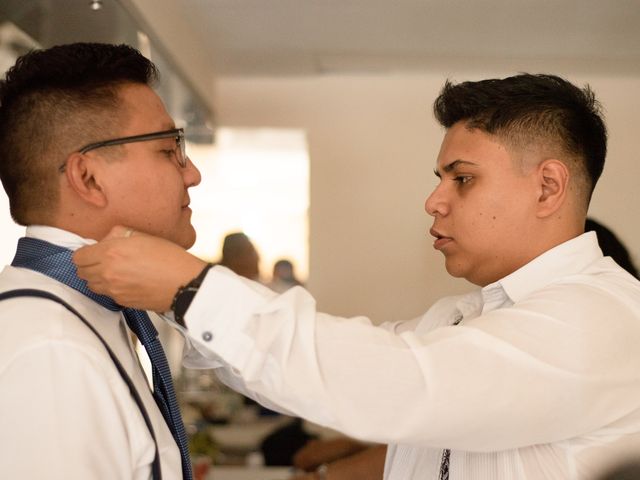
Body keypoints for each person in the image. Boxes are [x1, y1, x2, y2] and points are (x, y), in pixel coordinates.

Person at [74, 74, 640, 479]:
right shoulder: (476, 314)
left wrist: (192, 288)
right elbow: (341, 368)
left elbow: (393, 385)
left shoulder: (598, 319)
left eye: (462, 180)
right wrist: (183, 302)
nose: (434, 201)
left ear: (547, 186)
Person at [0, 43, 201, 479]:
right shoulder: (52, 351)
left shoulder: (85, 312)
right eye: (169, 151)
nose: (192, 173)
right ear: (88, 177)